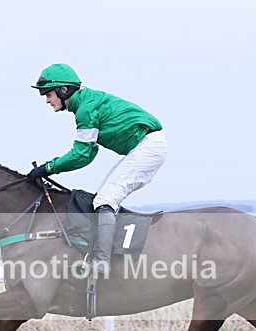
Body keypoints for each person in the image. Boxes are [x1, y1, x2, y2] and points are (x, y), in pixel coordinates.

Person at [27, 63, 167, 276]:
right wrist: (50, 168)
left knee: (104, 201)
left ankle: (101, 261)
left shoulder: (86, 109)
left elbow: (81, 154)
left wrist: (47, 168)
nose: (47, 100)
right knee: (101, 200)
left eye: (48, 94)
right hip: (145, 146)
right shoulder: (85, 103)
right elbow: (88, 154)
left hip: (148, 147)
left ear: (64, 90)